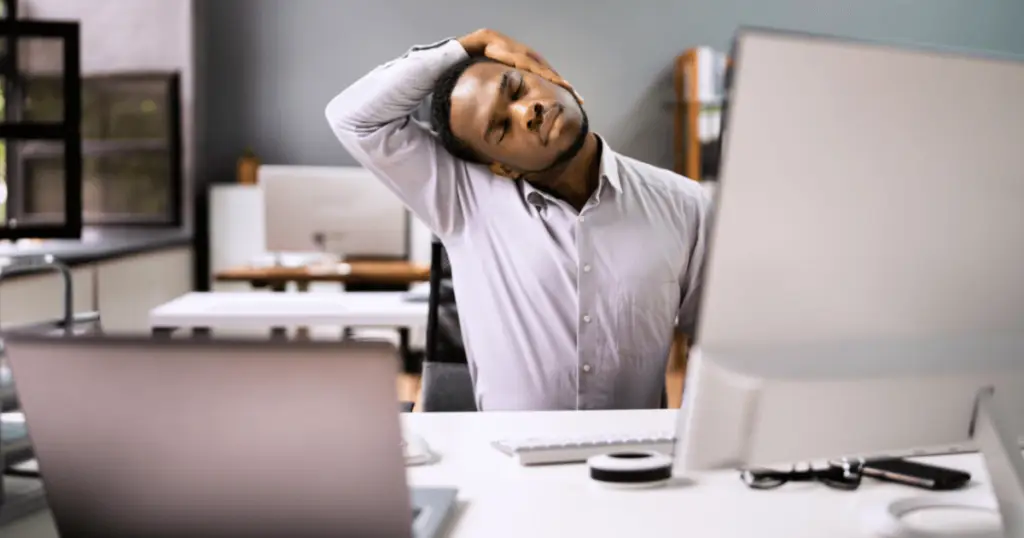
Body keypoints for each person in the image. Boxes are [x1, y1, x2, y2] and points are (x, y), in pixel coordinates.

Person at [325, 28, 712, 411]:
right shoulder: (463, 199)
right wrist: (466, 45)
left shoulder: (685, 203)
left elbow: (714, 348)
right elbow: (351, 118)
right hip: (508, 464)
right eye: (501, 127)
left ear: (543, 74)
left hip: (632, 462)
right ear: (501, 168)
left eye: (517, 88)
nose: (528, 111)